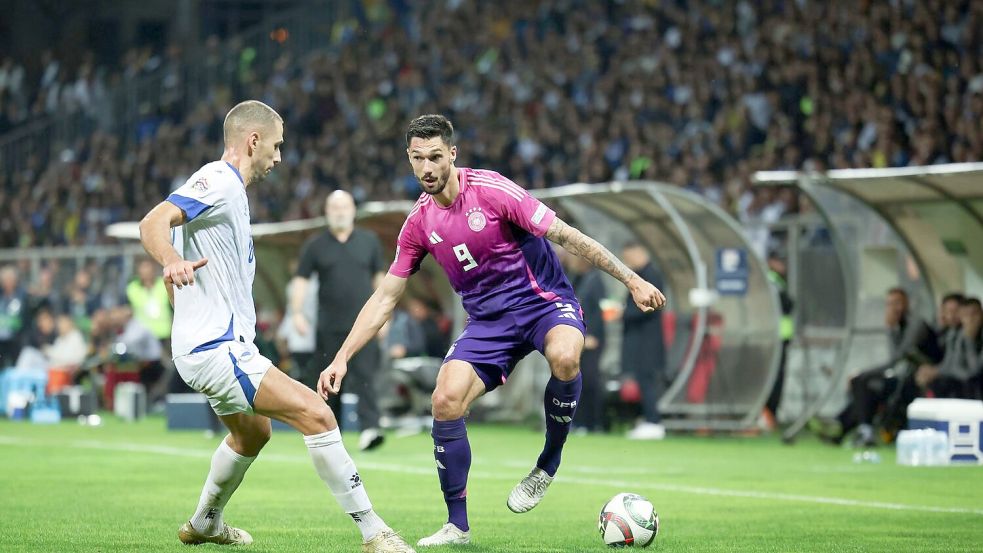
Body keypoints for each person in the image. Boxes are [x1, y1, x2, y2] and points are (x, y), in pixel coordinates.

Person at [319, 115, 666, 547]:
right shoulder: (418, 224)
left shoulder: (493, 190)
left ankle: (548, 463)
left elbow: (567, 236)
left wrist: (632, 280)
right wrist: (342, 357)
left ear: (452, 155)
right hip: (488, 324)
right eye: (417, 158)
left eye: (434, 157)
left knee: (565, 356)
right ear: (409, 160)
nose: (426, 167)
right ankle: (457, 526)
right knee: (444, 400)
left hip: (542, 303)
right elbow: (385, 298)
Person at [138, 100, 413, 552]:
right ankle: (374, 532)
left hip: (205, 346)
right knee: (318, 415)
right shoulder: (219, 181)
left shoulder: (233, 197)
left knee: (253, 433)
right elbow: (154, 222)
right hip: (217, 348)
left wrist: (184, 300)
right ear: (253, 140)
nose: (280, 157)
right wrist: (169, 260)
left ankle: (205, 521)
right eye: (277, 145)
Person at [292, 190, 388, 451]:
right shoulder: (315, 245)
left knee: (366, 378)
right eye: (334, 207)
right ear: (326, 212)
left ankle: (370, 429)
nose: (340, 212)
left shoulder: (369, 242)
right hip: (329, 328)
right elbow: (301, 280)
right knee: (330, 383)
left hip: (364, 326)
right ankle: (331, 433)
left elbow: (382, 281)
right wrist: (297, 313)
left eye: (344, 207)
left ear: (353, 210)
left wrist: (384, 316)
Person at [827, 288, 936, 446]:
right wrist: (891, 330)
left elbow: (897, 358)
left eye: (897, 303)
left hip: (920, 380)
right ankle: (857, 429)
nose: (894, 308)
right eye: (890, 304)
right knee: (862, 384)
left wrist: (864, 372)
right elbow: (896, 357)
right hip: (904, 378)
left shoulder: (916, 325)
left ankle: (844, 425)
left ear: (907, 304)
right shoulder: (898, 326)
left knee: (863, 379)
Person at [620, 241, 668, 440]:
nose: (627, 262)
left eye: (629, 257)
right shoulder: (641, 275)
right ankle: (647, 419)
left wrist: (623, 313)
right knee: (641, 379)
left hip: (648, 340)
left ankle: (654, 422)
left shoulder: (652, 276)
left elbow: (649, 307)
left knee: (647, 380)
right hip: (641, 339)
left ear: (639, 252)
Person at [561, 250, 608, 433]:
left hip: (591, 339)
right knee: (574, 379)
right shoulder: (574, 278)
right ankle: (577, 421)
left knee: (590, 380)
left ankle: (594, 423)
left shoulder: (595, 280)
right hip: (575, 338)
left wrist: (592, 334)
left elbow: (600, 310)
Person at [915, 297, 982, 400]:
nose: (970, 319)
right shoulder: (955, 333)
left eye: (974, 314)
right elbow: (950, 362)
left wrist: (969, 340)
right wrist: (934, 370)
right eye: (965, 315)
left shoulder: (969, 335)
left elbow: (974, 372)